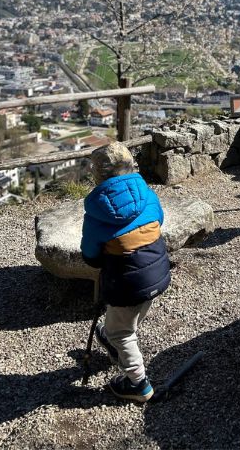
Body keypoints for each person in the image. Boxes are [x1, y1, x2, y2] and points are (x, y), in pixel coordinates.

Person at [81, 142, 171, 402]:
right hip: (158, 270)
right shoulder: (148, 195)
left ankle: (138, 384)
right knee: (129, 317)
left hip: (127, 282)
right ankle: (111, 338)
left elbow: (90, 254)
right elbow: (159, 221)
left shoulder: (97, 211)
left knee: (123, 332)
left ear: (98, 175)